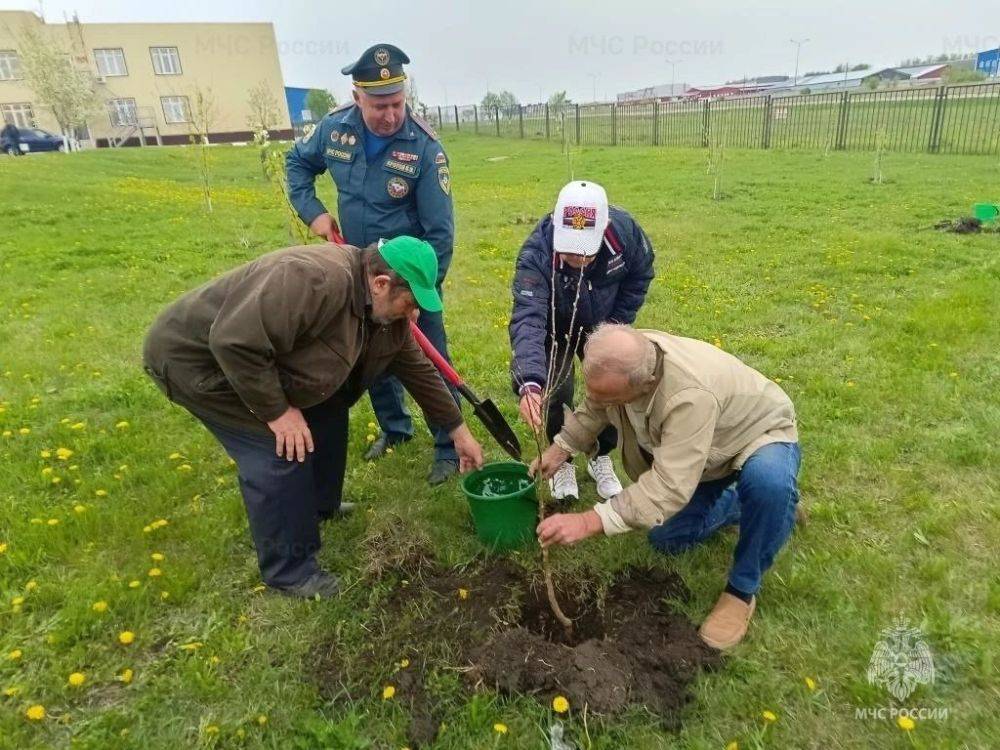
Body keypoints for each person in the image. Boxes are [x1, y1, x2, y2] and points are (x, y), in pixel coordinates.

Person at [143, 236, 484, 599]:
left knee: (328, 406)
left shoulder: (381, 309)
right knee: (279, 447)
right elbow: (233, 342)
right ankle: (289, 571)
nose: (414, 315)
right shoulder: (312, 280)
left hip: (254, 356)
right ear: (381, 284)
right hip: (199, 362)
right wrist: (276, 412)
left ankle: (322, 506)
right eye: (411, 304)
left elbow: (418, 369)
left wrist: (457, 430)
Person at [531, 324, 800, 649]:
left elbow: (669, 487)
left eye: (609, 397)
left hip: (757, 434)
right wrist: (561, 448)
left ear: (646, 384)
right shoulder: (622, 358)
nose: (599, 401)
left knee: (768, 483)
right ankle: (753, 508)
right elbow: (595, 407)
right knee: (667, 539)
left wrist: (589, 521)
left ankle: (741, 590)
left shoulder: (689, 396)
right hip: (701, 456)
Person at [286, 43, 461, 485]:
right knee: (369, 356)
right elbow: (296, 165)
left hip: (410, 279)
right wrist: (314, 213)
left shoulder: (424, 149)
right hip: (356, 275)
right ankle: (396, 429)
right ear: (357, 96)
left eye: (398, 103)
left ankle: (448, 446)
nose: (390, 114)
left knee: (430, 357)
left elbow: (439, 235)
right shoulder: (334, 130)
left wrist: (414, 293)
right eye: (380, 105)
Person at [509, 180, 654, 502]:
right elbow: (528, 318)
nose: (577, 256)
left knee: (611, 386)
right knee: (557, 391)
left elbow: (640, 274)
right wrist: (529, 383)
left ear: (603, 229)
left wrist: (615, 326)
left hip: (604, 322)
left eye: (584, 249)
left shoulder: (626, 233)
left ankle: (601, 454)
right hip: (553, 329)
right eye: (570, 248)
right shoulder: (537, 253)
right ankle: (563, 461)